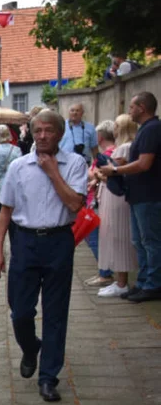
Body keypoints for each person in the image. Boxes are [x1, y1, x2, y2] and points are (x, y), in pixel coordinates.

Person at [0, 109, 89, 402]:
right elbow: (5, 209)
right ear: (32, 134)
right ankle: (31, 347)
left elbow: (75, 203)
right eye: (38, 131)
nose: (43, 136)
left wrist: (52, 172)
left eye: (49, 130)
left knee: (56, 313)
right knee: (20, 311)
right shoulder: (19, 167)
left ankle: (48, 377)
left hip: (59, 240)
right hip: (24, 241)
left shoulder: (75, 163)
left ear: (59, 133)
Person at [101, 92, 161, 303]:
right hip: (139, 196)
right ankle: (144, 281)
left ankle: (154, 284)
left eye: (132, 107)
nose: (129, 111)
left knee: (151, 241)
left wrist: (116, 171)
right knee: (139, 241)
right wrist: (123, 161)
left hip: (149, 195)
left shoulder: (152, 129)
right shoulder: (146, 130)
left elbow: (145, 164)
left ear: (142, 108)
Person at [92, 116, 137, 297]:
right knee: (115, 236)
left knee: (118, 237)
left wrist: (101, 173)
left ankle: (121, 282)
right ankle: (120, 280)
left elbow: (116, 175)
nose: (115, 128)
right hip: (113, 195)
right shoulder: (125, 147)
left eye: (117, 125)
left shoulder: (125, 147)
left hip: (116, 197)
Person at [84, 122, 118, 287]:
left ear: (100, 137)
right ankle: (103, 271)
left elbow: (108, 176)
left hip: (100, 200)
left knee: (94, 237)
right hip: (97, 198)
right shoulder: (108, 152)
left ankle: (105, 272)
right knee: (94, 236)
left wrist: (92, 174)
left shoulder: (108, 154)